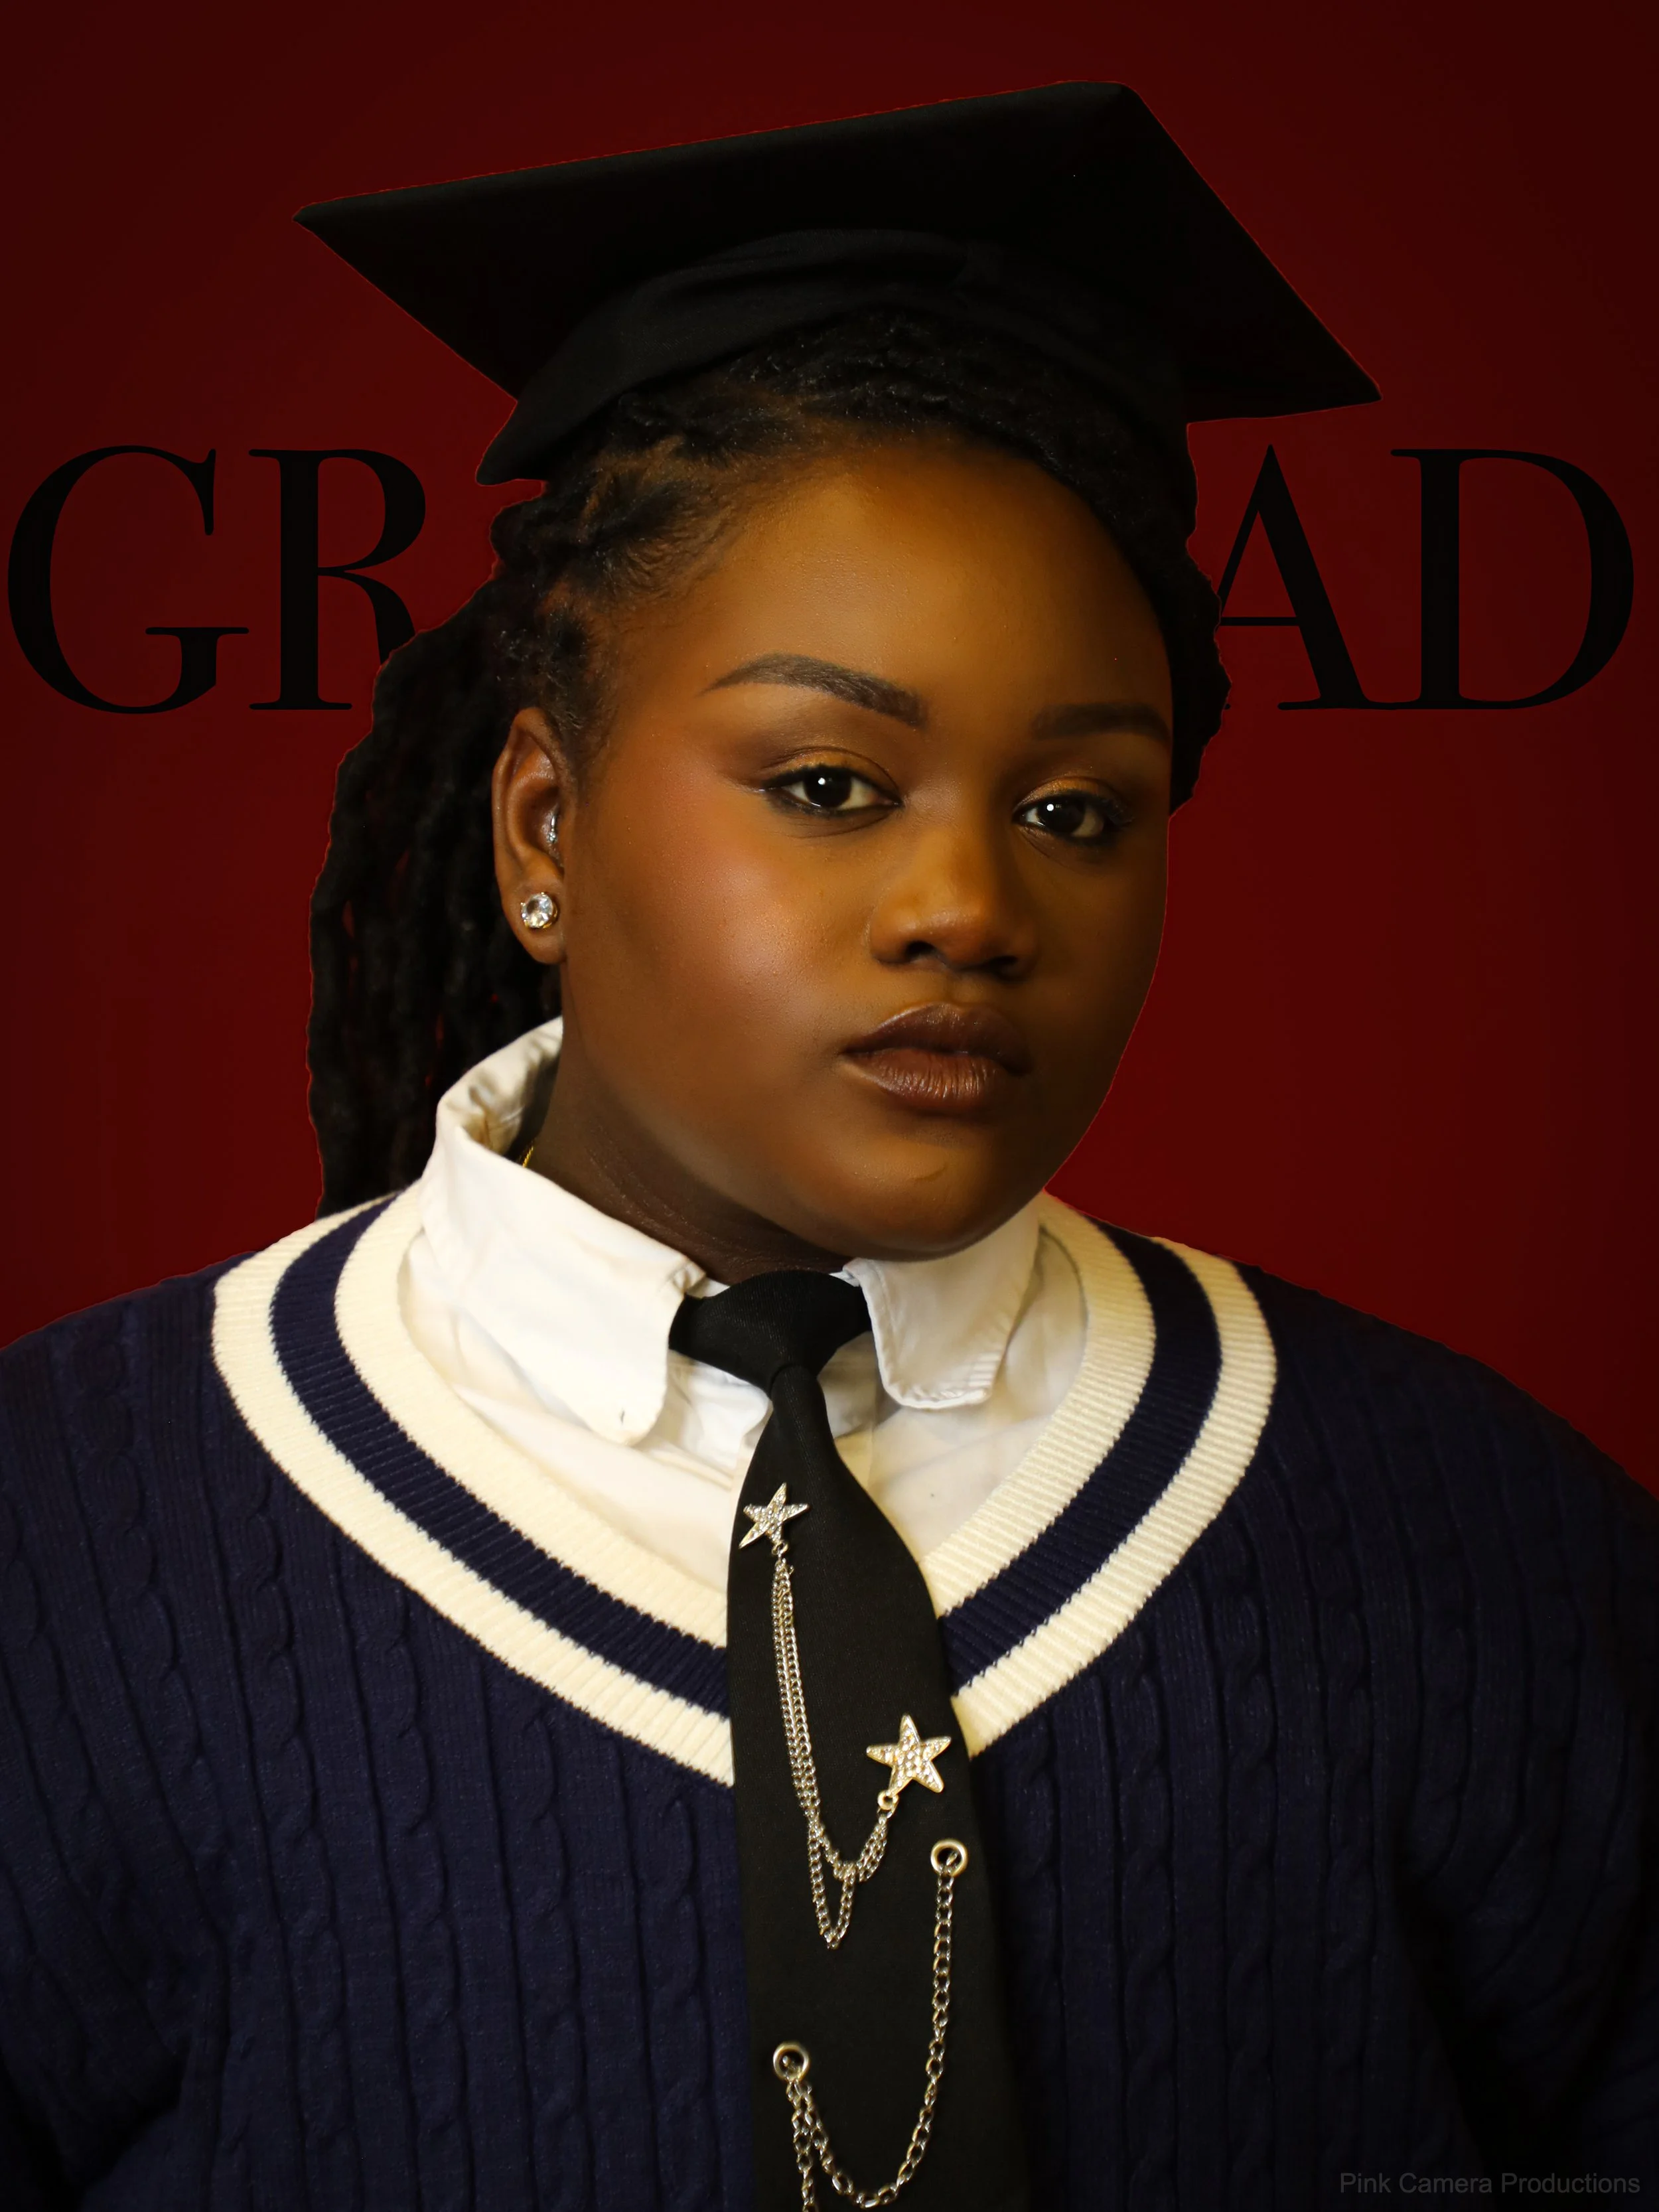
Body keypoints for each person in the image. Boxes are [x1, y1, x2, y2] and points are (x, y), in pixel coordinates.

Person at [1, 84, 1654, 2212]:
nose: (968, 904)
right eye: (828, 784)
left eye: (1074, 810)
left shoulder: (1488, 1547)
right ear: (542, 824)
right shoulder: (63, 1539)